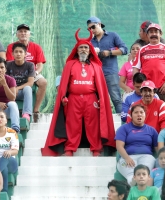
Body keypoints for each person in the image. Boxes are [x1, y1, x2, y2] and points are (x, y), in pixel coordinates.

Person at [41, 28, 115, 156]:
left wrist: (100, 99)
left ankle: (96, 148)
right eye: (81, 48)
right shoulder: (70, 64)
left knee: (93, 124)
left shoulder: (96, 66)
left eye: (86, 48)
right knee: (72, 124)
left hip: (91, 99)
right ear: (76, 50)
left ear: (90, 50)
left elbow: (100, 87)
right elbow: (64, 84)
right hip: (73, 99)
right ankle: (70, 148)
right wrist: (63, 97)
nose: (83, 50)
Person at [6, 24, 47, 122]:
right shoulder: (11, 47)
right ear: (17, 34)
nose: (23, 33)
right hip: (14, 72)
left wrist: (35, 72)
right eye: (20, 31)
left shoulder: (36, 47)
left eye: (25, 31)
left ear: (29, 34)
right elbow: (10, 63)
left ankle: (35, 109)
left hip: (31, 71)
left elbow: (40, 64)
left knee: (43, 82)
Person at [86, 16, 128, 113]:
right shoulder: (90, 41)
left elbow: (124, 49)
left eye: (93, 27)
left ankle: (122, 124)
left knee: (116, 99)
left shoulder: (112, 35)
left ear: (99, 24)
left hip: (110, 72)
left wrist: (109, 52)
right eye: (89, 29)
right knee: (95, 101)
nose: (92, 30)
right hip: (94, 73)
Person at [116, 104, 158, 185]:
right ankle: (133, 185)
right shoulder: (123, 128)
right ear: (131, 115)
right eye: (136, 112)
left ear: (145, 115)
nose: (139, 114)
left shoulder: (152, 130)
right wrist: (127, 158)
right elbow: (119, 146)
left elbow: (157, 148)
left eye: (141, 112)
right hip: (128, 157)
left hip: (146, 157)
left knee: (143, 173)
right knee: (131, 176)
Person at [133, 23, 165, 106]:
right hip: (147, 89)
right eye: (151, 32)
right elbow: (135, 69)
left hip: (164, 88)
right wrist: (138, 85)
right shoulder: (142, 50)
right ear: (147, 35)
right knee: (147, 113)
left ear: (160, 34)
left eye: (156, 32)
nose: (154, 34)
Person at [6, 43, 35, 122]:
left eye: (21, 52)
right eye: (16, 52)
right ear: (12, 54)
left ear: (25, 54)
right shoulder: (8, 65)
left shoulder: (30, 65)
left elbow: (30, 82)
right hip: (10, 92)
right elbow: (5, 81)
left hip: (22, 92)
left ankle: (26, 114)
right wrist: (13, 89)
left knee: (28, 88)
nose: (18, 54)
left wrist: (17, 88)